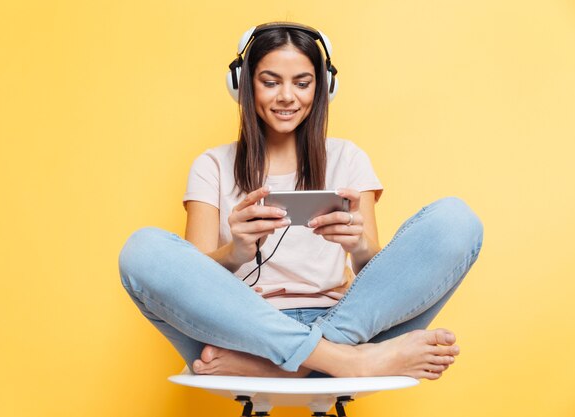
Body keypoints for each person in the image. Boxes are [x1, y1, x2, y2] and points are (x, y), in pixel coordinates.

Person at [118, 22, 483, 380]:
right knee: (143, 250)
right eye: (270, 82)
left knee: (456, 220)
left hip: (342, 322)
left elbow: (379, 277)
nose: (287, 97)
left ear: (323, 87)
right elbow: (189, 281)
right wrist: (237, 251)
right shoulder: (212, 165)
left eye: (303, 83)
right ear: (243, 85)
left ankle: (287, 367)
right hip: (241, 333)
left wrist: (357, 246)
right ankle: (343, 363)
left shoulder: (349, 158)